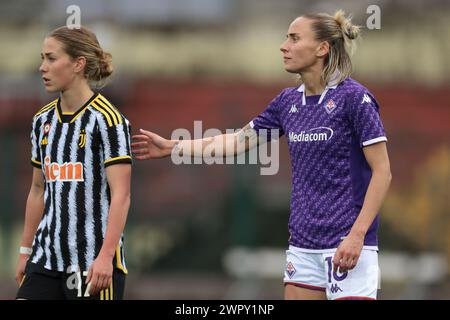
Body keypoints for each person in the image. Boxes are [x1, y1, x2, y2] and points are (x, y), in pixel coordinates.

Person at [131, 10, 391, 300]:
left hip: (348, 244)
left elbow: (382, 172)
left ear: (322, 48)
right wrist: (173, 147)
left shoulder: (354, 98)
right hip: (303, 246)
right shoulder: (288, 102)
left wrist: (357, 236)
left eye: (294, 38)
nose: (284, 46)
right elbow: (237, 142)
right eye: (286, 38)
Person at [15, 26, 132, 300]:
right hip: (45, 261)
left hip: (92, 263)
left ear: (79, 64)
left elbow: (121, 196)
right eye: (42, 58)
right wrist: (25, 251)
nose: (42, 67)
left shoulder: (108, 121)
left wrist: (105, 257)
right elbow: (37, 190)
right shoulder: (42, 121)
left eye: (51, 58)